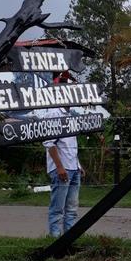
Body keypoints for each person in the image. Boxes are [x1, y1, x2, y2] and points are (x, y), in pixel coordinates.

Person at [42, 72, 84, 238]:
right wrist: (59, 167)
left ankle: (69, 239)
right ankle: (55, 239)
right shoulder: (54, 113)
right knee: (58, 208)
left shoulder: (70, 114)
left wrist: (78, 165)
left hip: (73, 167)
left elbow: (70, 144)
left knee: (72, 209)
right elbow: (49, 142)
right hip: (61, 169)